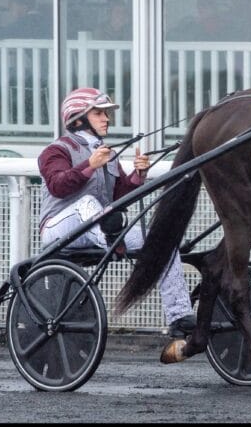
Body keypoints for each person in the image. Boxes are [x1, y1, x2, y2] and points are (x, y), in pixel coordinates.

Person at [38, 87, 197, 347]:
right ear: (78, 118)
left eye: (106, 114)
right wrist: (89, 165)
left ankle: (179, 316)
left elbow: (119, 194)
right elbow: (58, 185)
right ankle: (113, 238)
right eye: (99, 113)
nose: (106, 119)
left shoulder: (107, 154)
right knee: (87, 203)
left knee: (162, 241)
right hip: (58, 228)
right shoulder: (56, 150)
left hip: (96, 227)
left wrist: (138, 175)